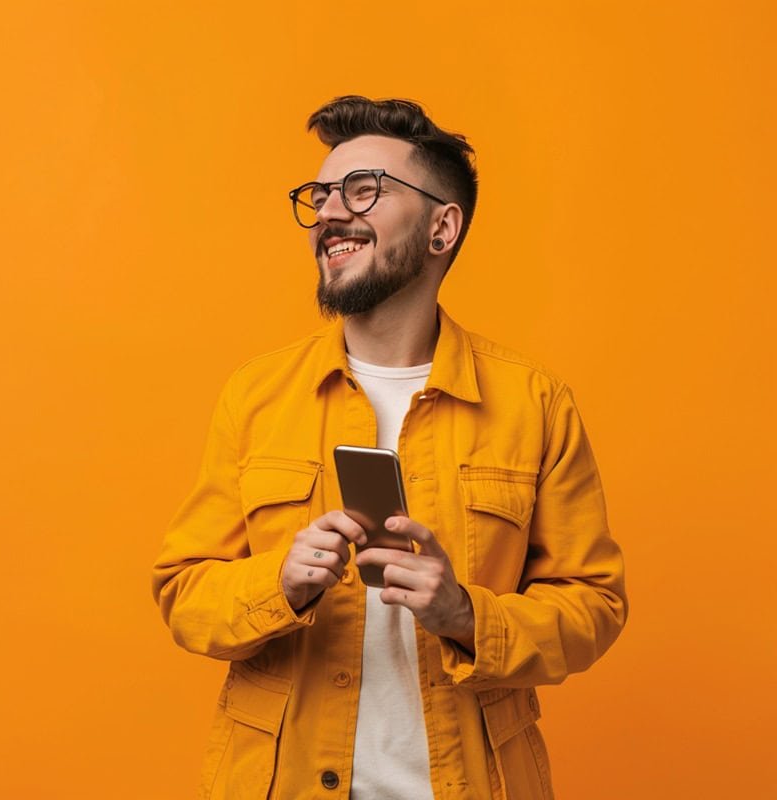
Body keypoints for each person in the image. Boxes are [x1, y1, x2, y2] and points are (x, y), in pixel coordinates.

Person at [152, 95, 628, 800]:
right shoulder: (256, 396)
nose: (331, 214)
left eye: (364, 189)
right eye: (320, 195)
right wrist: (277, 584)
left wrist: (466, 615)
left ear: (443, 226)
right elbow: (183, 589)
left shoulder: (534, 403)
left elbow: (594, 605)